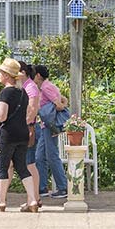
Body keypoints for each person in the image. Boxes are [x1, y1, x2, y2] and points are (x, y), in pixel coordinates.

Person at [0, 57, 41, 212]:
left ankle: (0, 201)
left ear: (6, 75)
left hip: (8, 134)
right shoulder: (23, 93)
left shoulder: (5, 93)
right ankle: (32, 200)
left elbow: (2, 115)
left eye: (1, 72)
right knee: (21, 167)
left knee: (2, 166)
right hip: (23, 133)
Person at [33, 65, 69, 198]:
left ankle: (63, 187)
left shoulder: (46, 87)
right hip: (44, 126)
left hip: (49, 126)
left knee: (52, 155)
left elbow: (60, 104)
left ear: (38, 75)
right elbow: (62, 99)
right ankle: (42, 187)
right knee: (39, 157)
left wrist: (50, 109)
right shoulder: (47, 87)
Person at [21, 61, 41, 162]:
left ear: (23, 73)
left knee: (29, 163)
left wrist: (22, 125)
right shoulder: (25, 86)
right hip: (27, 127)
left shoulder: (30, 87)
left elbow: (32, 110)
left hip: (29, 128)